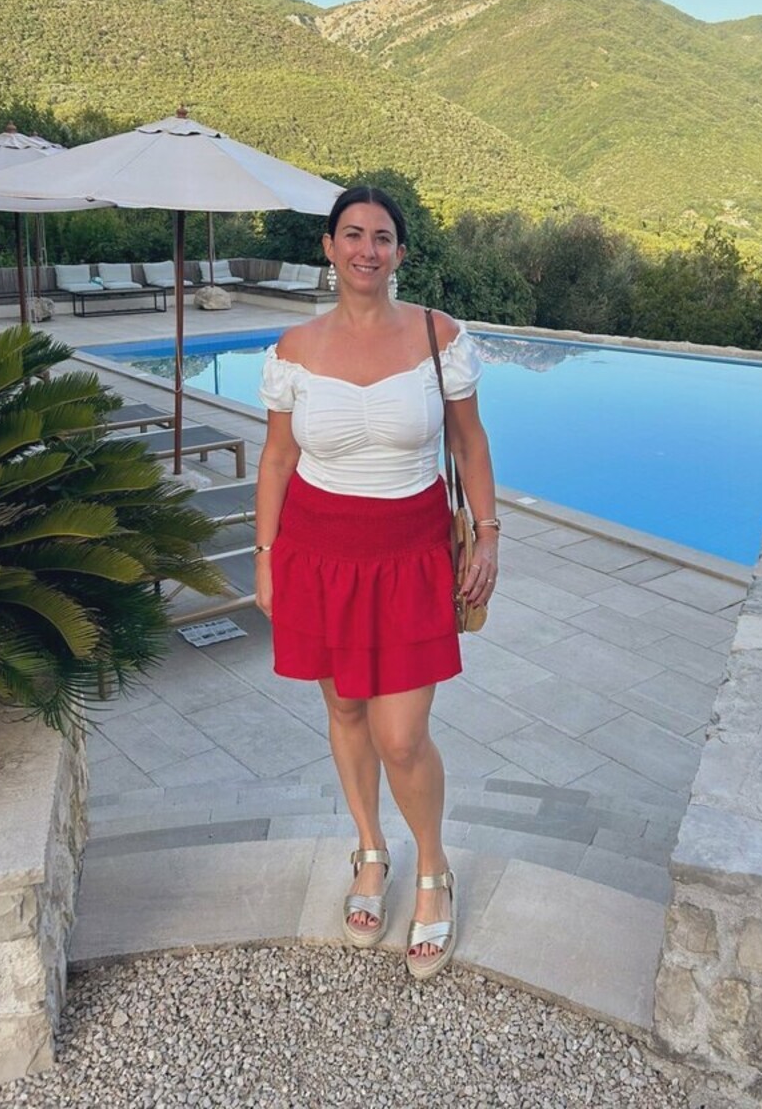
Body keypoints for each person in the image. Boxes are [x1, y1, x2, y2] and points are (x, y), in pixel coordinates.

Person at [253, 185, 499, 981]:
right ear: (329, 247)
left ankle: (433, 866)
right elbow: (278, 459)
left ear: (400, 252)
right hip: (318, 554)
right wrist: (265, 555)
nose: (367, 249)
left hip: (412, 555)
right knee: (346, 708)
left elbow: (469, 442)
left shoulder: (439, 337)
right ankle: (369, 850)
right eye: (352, 234)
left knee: (402, 735)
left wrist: (488, 533)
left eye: (382, 237)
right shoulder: (294, 350)